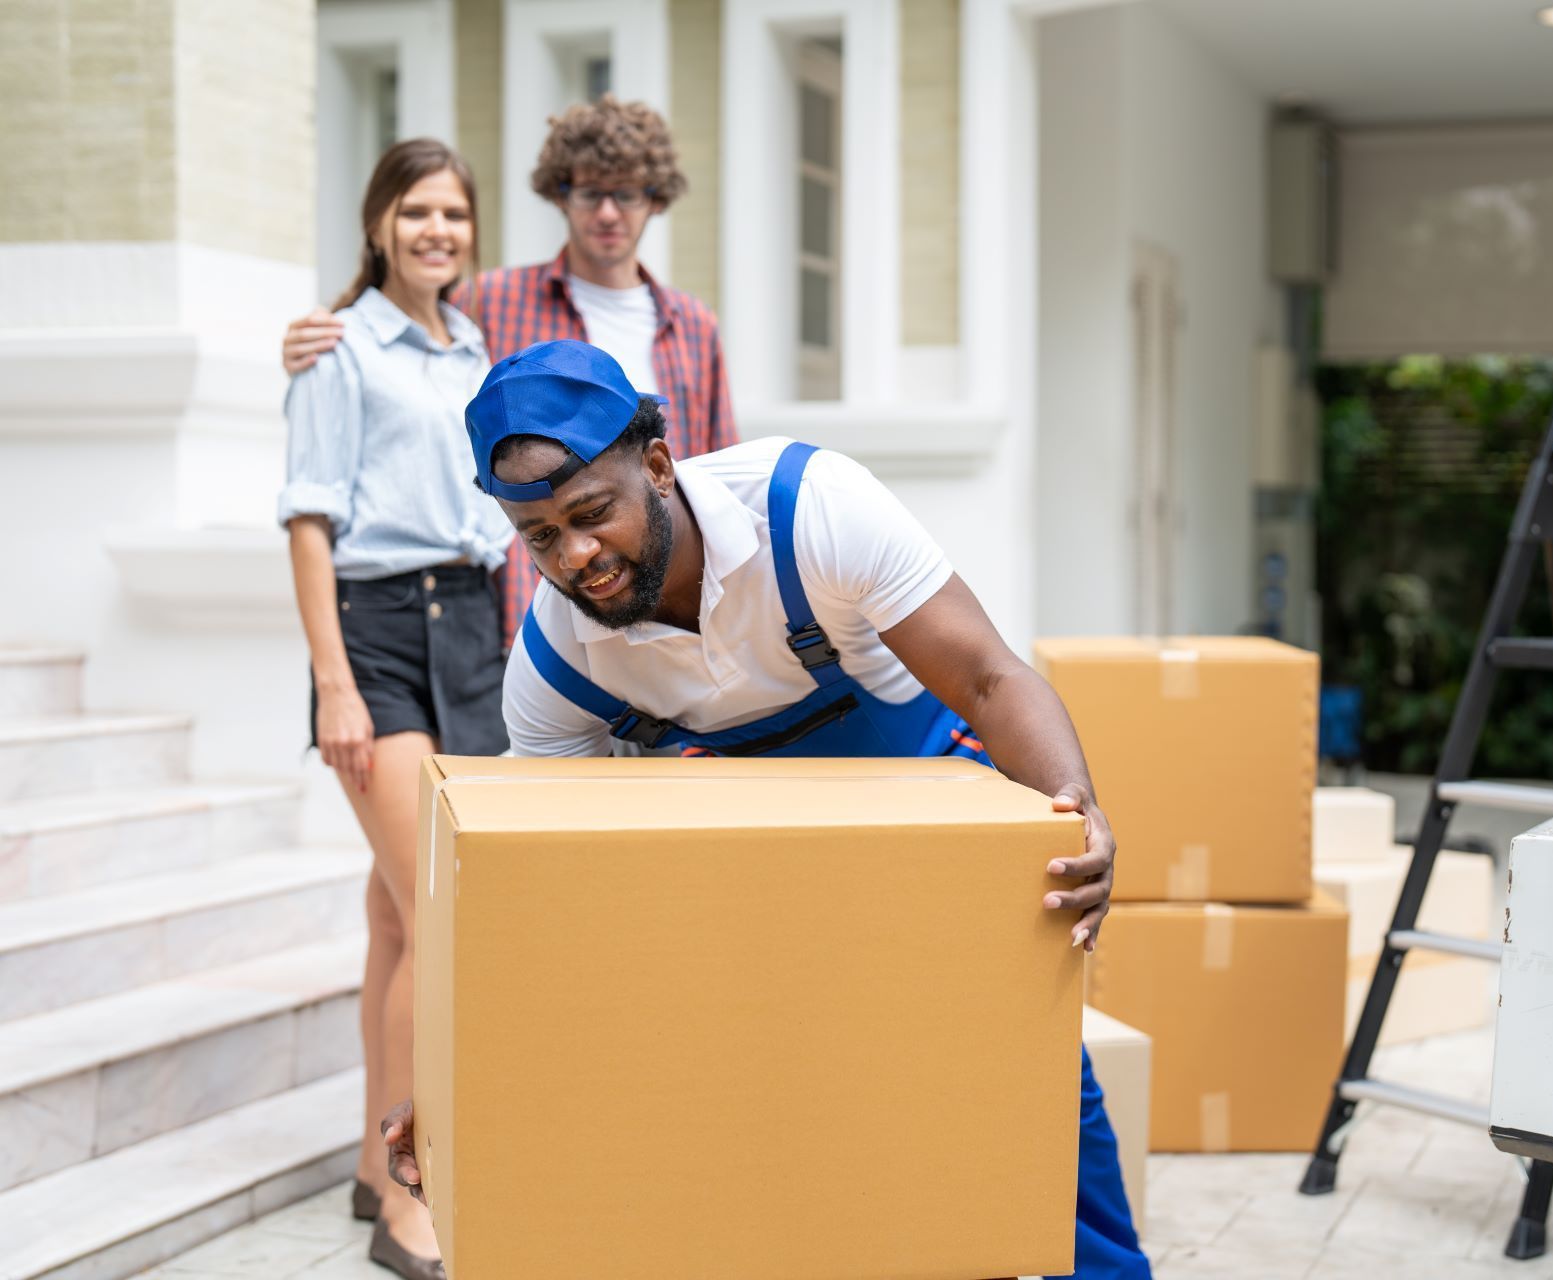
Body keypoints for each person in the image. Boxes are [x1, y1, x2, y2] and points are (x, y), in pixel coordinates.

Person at [379, 340, 1155, 1280]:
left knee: (1021, 1073)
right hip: (754, 870)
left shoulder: (810, 507)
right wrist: (462, 1090)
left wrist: (1078, 813)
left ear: (658, 466)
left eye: (592, 516)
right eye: (540, 538)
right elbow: (536, 902)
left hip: (920, 821)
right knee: (788, 1091)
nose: (576, 556)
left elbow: (989, 678)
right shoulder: (556, 665)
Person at [280, 138, 513, 1280]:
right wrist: (332, 680)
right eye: (416, 211)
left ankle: (376, 1160)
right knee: (440, 915)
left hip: (470, 626)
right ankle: (412, 1197)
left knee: (393, 916)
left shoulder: (470, 345)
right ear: (378, 224)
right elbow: (309, 518)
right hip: (376, 628)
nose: (437, 231)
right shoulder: (336, 350)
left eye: (454, 215)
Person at [280, 95, 736, 640]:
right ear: (560, 195)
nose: (609, 212)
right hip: (536, 609)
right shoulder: (488, 304)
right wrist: (317, 334)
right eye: (590, 192)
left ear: (655, 198)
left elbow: (716, 469)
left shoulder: (692, 324)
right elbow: (409, 334)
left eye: (628, 193)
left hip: (668, 600)